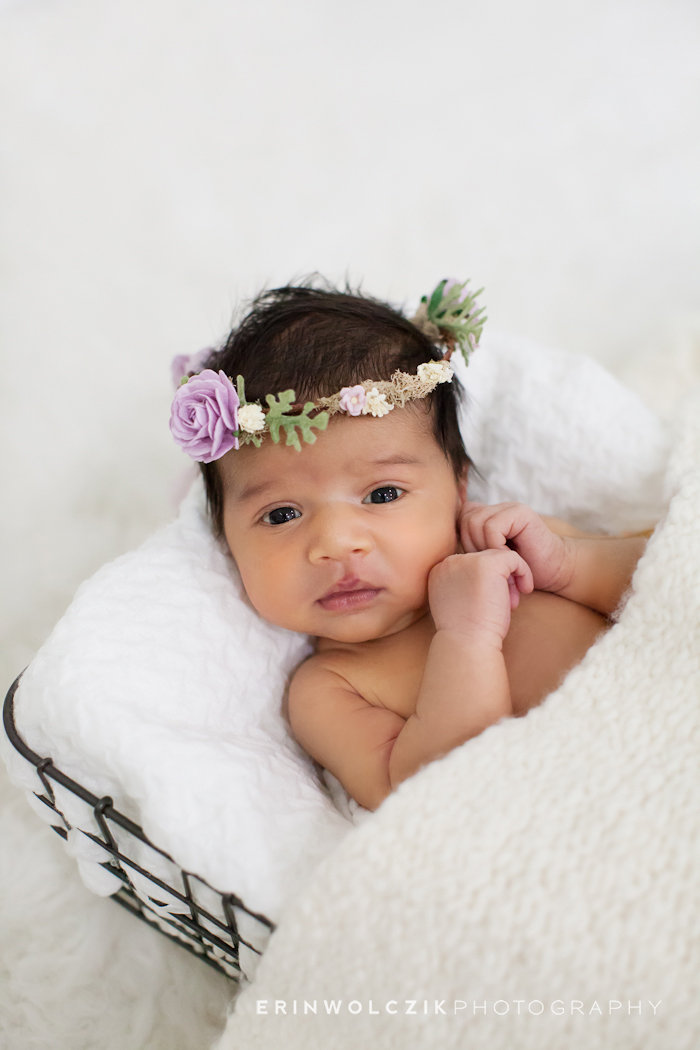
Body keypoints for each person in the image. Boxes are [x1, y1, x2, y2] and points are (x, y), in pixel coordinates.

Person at [170, 278, 647, 811]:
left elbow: (668, 579)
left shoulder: (514, 546)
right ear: (226, 539)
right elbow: (427, 798)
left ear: (458, 489)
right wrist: (466, 640)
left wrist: (570, 565)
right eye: (281, 514)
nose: (337, 543)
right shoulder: (331, 687)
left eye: (383, 494)